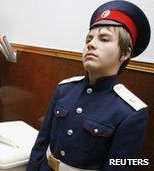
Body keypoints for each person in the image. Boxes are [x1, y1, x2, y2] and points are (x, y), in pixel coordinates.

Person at [27, 1, 150, 171]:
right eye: (88, 39)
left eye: (104, 39)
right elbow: (42, 141)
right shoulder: (64, 89)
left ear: (125, 53)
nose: (91, 44)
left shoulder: (131, 112)